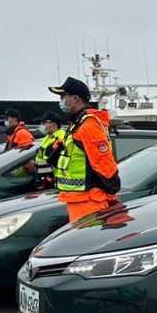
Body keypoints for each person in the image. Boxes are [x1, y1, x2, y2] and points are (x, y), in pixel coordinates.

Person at [47, 77, 121, 222]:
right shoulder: (78, 123)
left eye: (63, 96)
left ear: (75, 98)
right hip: (79, 199)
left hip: (90, 201)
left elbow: (102, 162)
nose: (61, 101)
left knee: (88, 243)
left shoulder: (88, 125)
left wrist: (111, 193)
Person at [32, 111, 66, 188]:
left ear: (53, 124)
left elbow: (50, 160)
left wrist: (34, 166)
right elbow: (41, 158)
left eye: (44, 123)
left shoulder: (61, 138)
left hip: (56, 180)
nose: (42, 125)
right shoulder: (48, 137)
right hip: (45, 178)